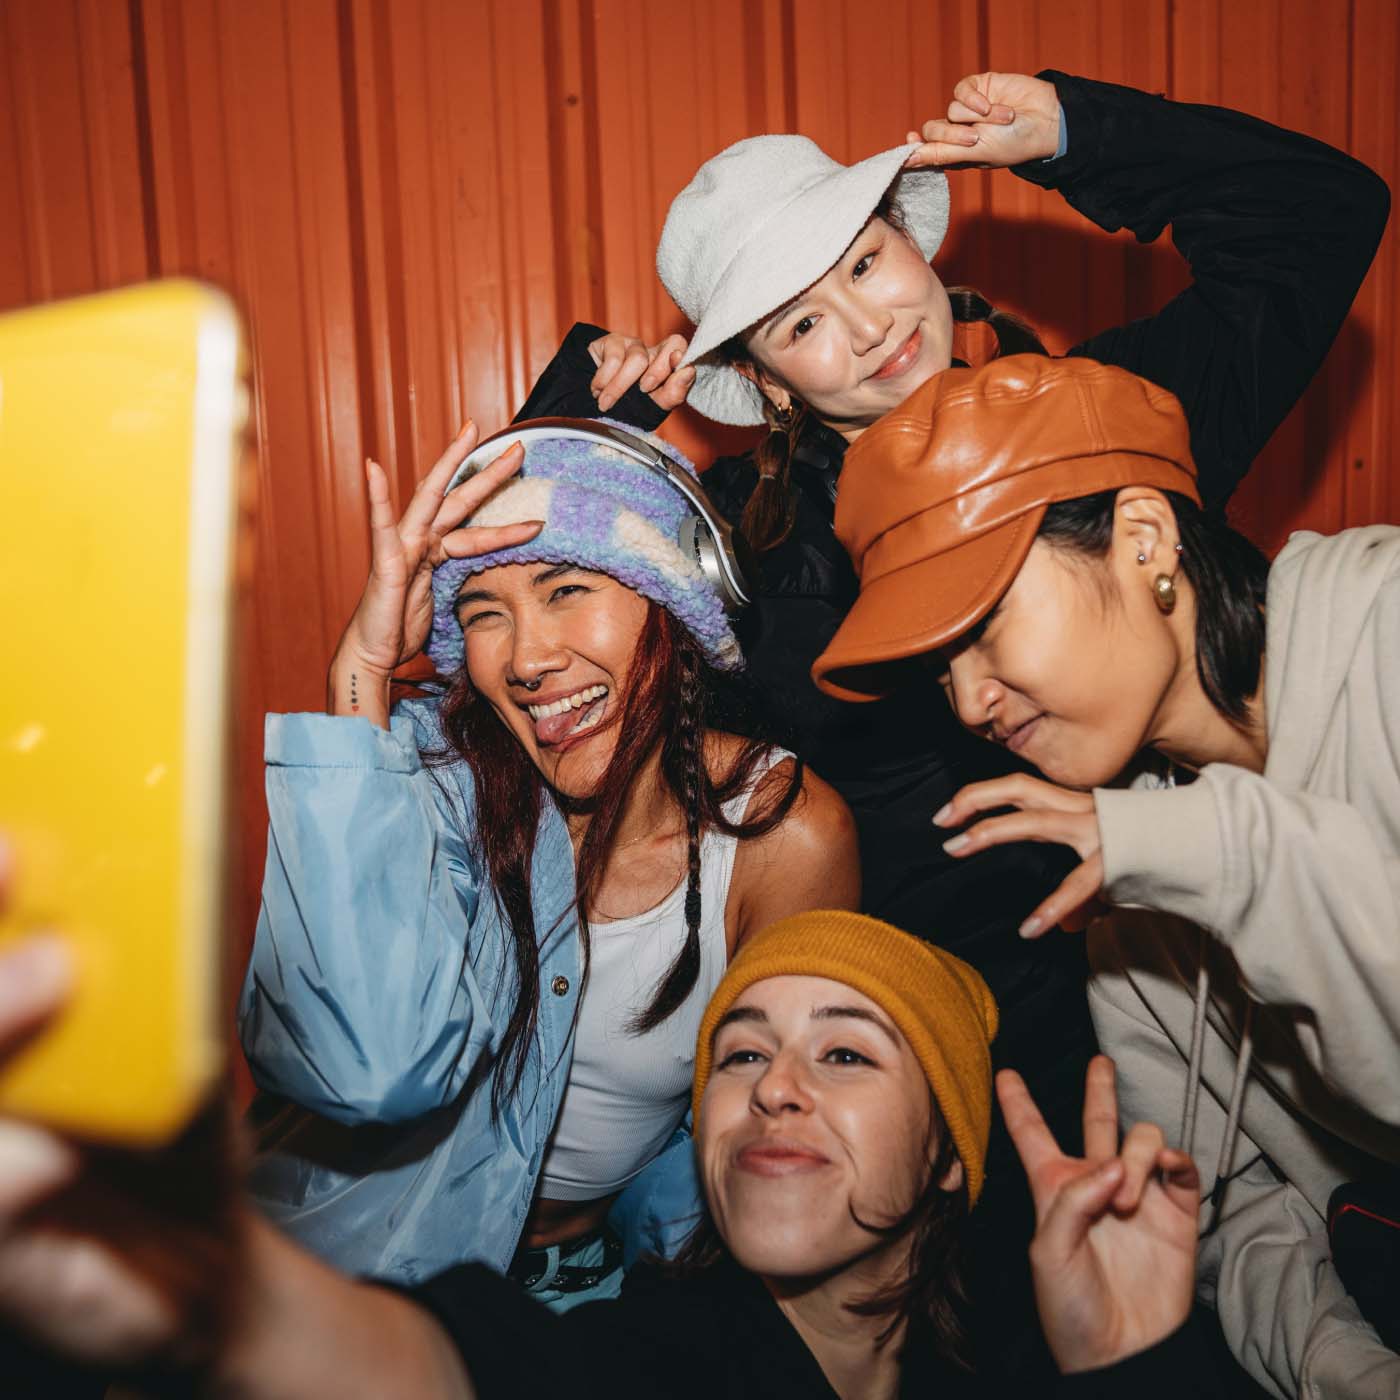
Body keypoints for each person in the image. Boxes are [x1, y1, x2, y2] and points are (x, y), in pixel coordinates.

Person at [514, 66, 1389, 1378]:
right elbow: (529, 614)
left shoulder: (1095, 428)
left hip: (1190, 952)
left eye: (867, 265)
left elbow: (1319, 220)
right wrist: (585, 419)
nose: (866, 327)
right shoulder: (746, 545)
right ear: (765, 376)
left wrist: (1079, 135)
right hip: (936, 1037)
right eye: (802, 322)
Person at [809, 351, 1400, 1398]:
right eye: (938, 671)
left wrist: (1205, 852)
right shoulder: (1119, 891)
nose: (967, 703)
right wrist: (1341, 1369)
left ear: (1141, 536)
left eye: (981, 629)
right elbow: (1226, 1209)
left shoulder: (1385, 632)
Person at [0, 902, 1227, 1399]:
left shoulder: (1010, 1372)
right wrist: (224, 1292)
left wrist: (1122, 1364)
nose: (774, 1089)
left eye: (845, 1055)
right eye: (737, 1055)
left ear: (953, 1157)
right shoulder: (654, 1356)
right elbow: (454, 1370)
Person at [237, 419, 859, 1301]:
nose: (527, 658)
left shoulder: (782, 835)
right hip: (335, 1270)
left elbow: (772, 1127)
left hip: (591, 1285)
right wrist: (364, 675)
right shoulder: (423, 779)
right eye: (483, 614)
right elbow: (360, 1067)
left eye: (566, 589)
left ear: (674, 602)